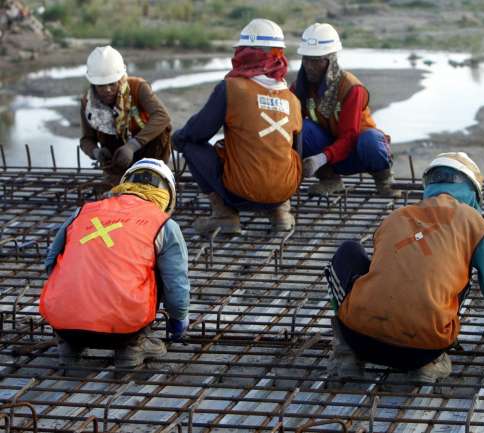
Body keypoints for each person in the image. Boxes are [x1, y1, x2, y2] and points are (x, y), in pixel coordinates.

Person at [324, 152, 484, 383]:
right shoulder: (472, 222)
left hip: (360, 338)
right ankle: (430, 365)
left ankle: (346, 354)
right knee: (454, 272)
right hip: (422, 350)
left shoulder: (397, 216)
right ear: (473, 193)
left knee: (349, 252)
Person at [40, 159, 190, 368]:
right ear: (168, 196)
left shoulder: (82, 213)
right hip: (124, 329)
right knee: (155, 268)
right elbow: (176, 284)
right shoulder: (164, 225)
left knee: (72, 261)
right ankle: (133, 346)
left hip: (62, 323)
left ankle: (69, 346)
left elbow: (50, 263)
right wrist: (178, 320)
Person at [173, 19, 302, 235]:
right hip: (284, 190)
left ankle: (224, 215)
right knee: (287, 152)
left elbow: (197, 132)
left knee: (188, 143)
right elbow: (297, 150)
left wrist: (177, 138)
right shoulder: (292, 98)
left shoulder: (232, 88)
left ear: (246, 52)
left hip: (240, 194)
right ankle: (281, 211)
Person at [292, 23, 396, 197]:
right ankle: (330, 180)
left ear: (330, 61)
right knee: (302, 128)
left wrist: (320, 159)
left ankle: (384, 179)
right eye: (306, 59)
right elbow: (285, 120)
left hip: (358, 153)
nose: (309, 65)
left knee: (370, 139)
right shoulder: (301, 87)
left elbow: (350, 136)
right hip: (330, 155)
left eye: (316, 60)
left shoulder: (351, 88)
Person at [79, 46, 171, 184]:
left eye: (112, 84)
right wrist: (96, 152)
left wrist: (132, 146)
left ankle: (152, 173)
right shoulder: (88, 103)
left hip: (146, 152)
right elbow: (86, 139)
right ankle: (117, 176)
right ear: (93, 84)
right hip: (117, 157)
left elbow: (162, 116)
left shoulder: (138, 87)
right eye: (101, 86)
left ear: (120, 79)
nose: (107, 90)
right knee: (118, 194)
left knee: (162, 128)